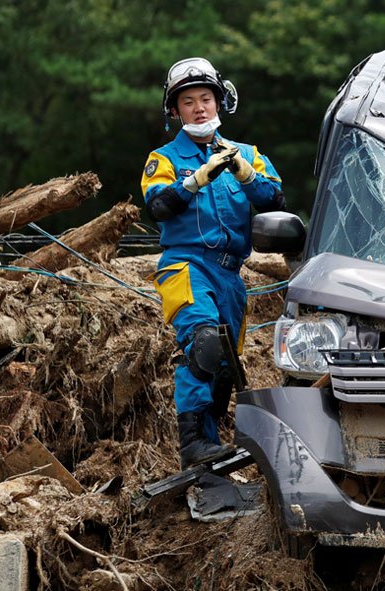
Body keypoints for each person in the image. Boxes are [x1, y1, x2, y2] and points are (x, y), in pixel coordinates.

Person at [140, 57, 285, 469]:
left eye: (206, 98)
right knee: (203, 343)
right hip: (185, 265)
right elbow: (160, 206)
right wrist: (195, 180)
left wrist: (244, 174)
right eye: (188, 101)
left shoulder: (249, 154)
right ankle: (191, 444)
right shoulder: (163, 158)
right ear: (174, 110)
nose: (199, 107)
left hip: (229, 273)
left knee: (224, 365)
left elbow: (275, 200)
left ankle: (209, 448)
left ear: (221, 103)